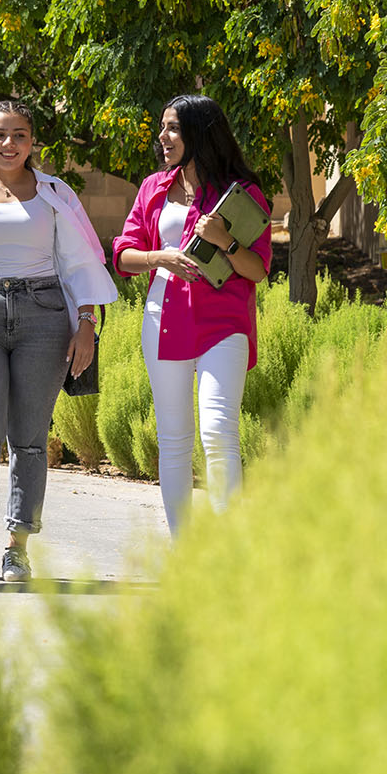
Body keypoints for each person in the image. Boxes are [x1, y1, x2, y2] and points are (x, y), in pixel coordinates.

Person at [0, 101, 116, 582]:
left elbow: (83, 260)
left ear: (33, 143)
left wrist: (86, 325)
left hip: (45, 316)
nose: (9, 144)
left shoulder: (55, 193)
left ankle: (18, 545)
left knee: (30, 440)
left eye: (20, 135)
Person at [110, 95, 273, 537]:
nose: (163, 137)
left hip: (224, 325)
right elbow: (123, 255)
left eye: (174, 129)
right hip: (164, 322)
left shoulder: (242, 194)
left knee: (219, 430)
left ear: (201, 133)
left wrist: (224, 240)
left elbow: (258, 269)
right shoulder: (153, 188)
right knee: (175, 441)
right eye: (163, 127)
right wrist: (159, 257)